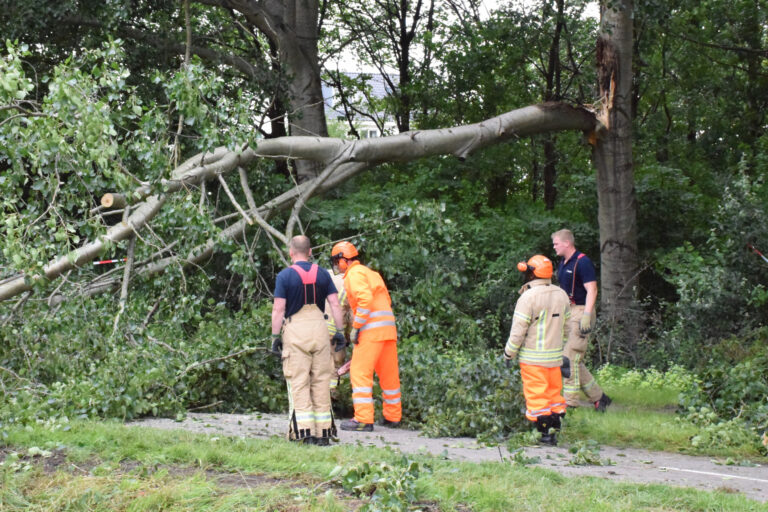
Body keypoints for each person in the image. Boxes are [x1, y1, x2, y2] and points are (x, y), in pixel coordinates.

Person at [271, 235, 346, 446]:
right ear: (310, 251)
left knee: (299, 380)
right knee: (321, 381)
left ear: (290, 252)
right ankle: (323, 433)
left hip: (296, 333)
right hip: (320, 331)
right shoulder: (323, 274)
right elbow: (335, 304)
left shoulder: (285, 276)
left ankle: (304, 433)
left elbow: (278, 309)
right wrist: (339, 332)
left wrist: (275, 336)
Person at [330, 241, 401, 432]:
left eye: (337, 262)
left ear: (343, 260)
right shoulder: (371, 273)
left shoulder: (354, 275)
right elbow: (386, 300)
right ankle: (393, 416)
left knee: (360, 373)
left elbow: (365, 300)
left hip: (370, 331)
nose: (337, 266)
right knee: (389, 375)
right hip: (388, 331)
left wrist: (357, 327)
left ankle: (363, 419)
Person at [503, 255, 570, 446]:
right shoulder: (561, 294)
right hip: (555, 358)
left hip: (533, 359)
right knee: (554, 394)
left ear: (532, 274)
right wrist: (563, 350)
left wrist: (509, 353)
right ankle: (554, 429)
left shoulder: (528, 297)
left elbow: (518, 332)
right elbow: (567, 327)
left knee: (537, 396)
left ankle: (545, 435)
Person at [551, 229, 612, 412]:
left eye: (556, 243)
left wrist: (586, 314)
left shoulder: (582, 262)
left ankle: (570, 403)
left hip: (581, 312)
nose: (554, 247)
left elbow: (592, 290)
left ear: (567, 243)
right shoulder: (563, 263)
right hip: (569, 312)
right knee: (574, 359)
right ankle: (600, 398)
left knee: (568, 359)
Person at [324, 267, 350, 398]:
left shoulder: (324, 274)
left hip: (315, 327)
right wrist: (349, 336)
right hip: (335, 329)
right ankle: (333, 393)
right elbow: (351, 315)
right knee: (336, 364)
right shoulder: (349, 282)